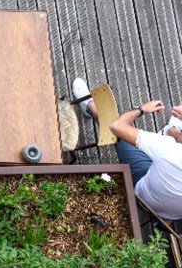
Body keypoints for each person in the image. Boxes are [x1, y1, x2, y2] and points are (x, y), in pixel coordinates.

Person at [73, 78, 182, 220]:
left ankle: (90, 107)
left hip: (145, 195)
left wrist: (141, 109)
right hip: (170, 213)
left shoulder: (170, 151)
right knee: (166, 145)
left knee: (118, 133)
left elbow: (117, 127)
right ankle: (172, 131)